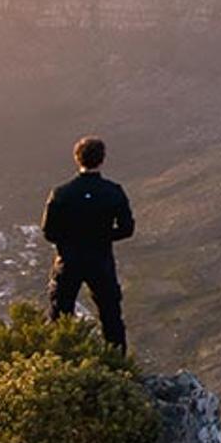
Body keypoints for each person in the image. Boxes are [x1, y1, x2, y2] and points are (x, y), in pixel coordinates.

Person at [42, 135, 136, 351]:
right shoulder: (113, 192)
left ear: (77, 159)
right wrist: (102, 236)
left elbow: (48, 232)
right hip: (100, 261)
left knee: (61, 315)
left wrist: (70, 239)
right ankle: (118, 364)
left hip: (68, 261)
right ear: (102, 159)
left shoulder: (61, 193)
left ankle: (59, 361)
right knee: (111, 315)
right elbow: (126, 229)